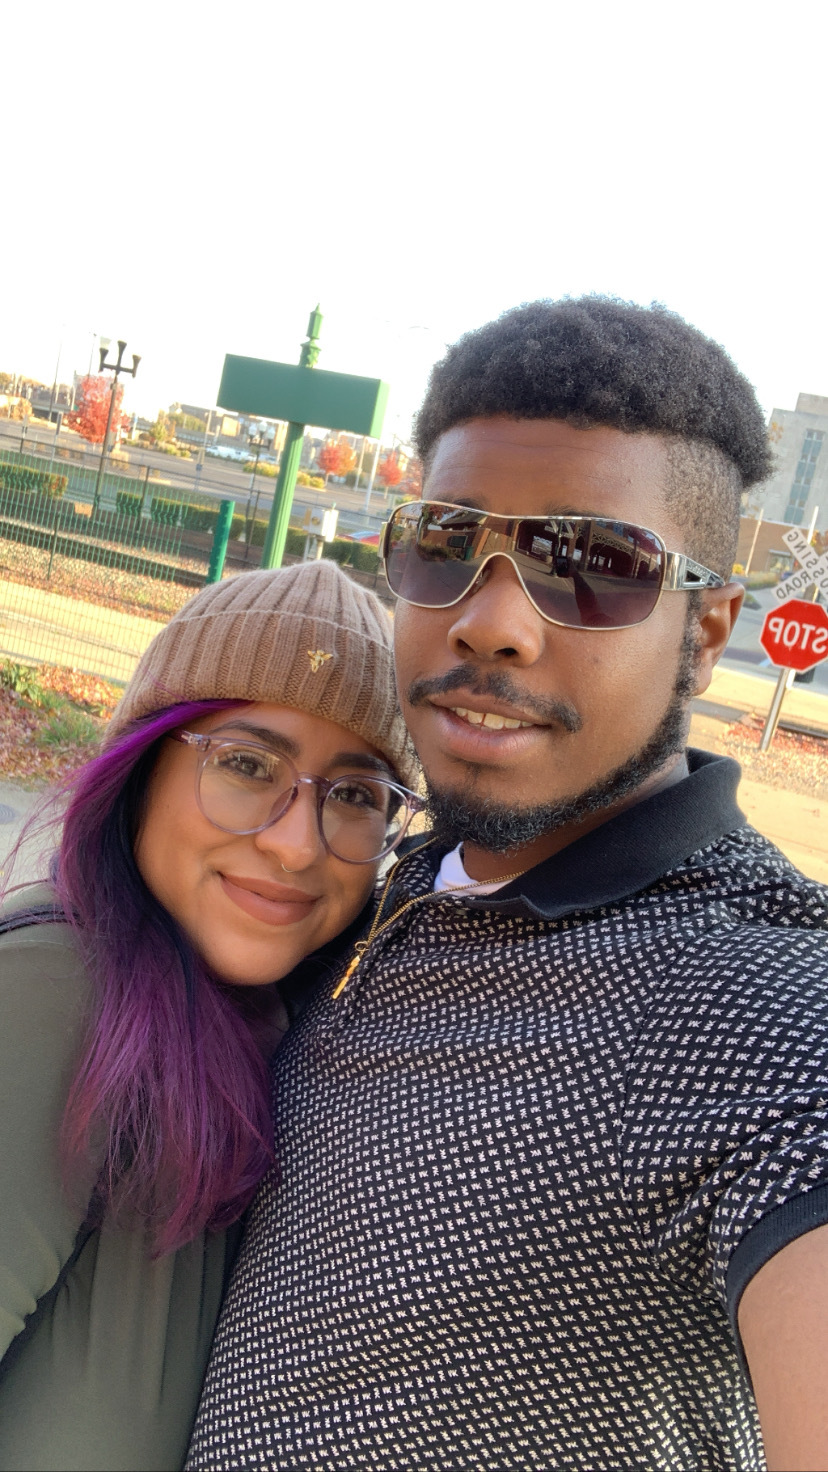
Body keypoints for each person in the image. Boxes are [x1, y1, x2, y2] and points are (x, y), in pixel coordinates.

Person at [187, 299, 828, 1472]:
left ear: (705, 632)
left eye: (593, 565)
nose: (491, 624)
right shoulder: (386, 882)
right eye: (445, 542)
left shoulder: (757, 1002)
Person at [0, 558, 420, 1472]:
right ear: (141, 770)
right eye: (246, 764)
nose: (295, 844)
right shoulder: (51, 996)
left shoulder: (273, 1045)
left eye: (356, 795)